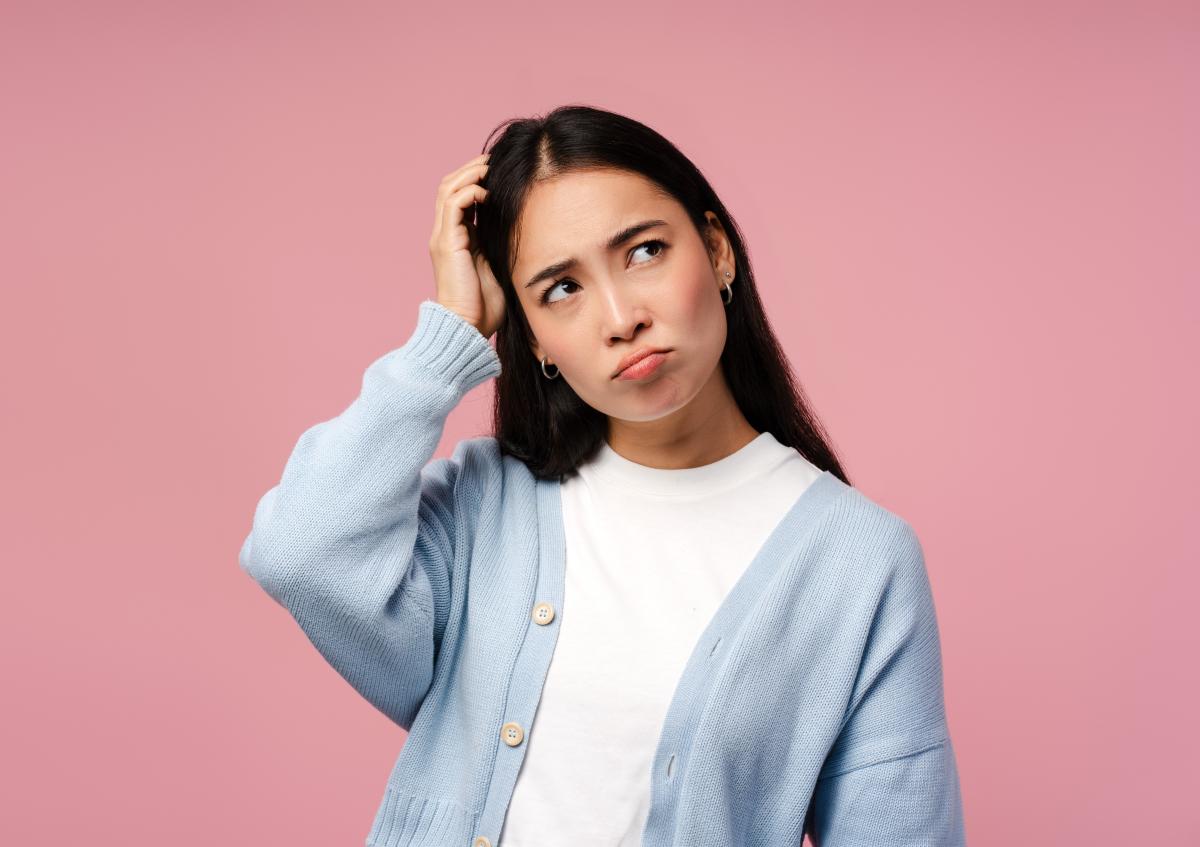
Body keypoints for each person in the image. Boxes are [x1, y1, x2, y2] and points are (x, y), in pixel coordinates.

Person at [238, 104, 967, 846]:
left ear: (716, 250)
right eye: (561, 289)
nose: (620, 316)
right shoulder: (486, 508)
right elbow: (300, 550)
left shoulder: (859, 562)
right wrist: (448, 337)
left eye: (644, 251)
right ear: (537, 341)